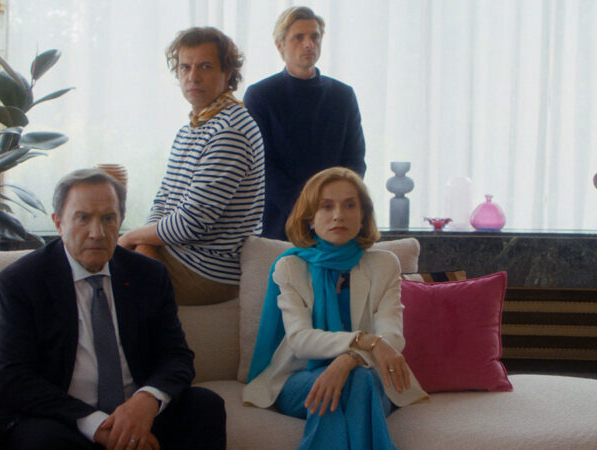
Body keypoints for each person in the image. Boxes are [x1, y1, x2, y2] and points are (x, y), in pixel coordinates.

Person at [0, 168, 226, 450]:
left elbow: (176, 356)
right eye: (83, 218)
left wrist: (146, 401)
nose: (97, 233)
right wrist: (99, 426)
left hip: (136, 413)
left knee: (205, 406)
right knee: (41, 442)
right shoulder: (22, 280)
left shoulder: (149, 275)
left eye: (108, 218)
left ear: (121, 221)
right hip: (64, 417)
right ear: (58, 223)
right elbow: (15, 378)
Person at [243, 167, 427, 450]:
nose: (338, 215)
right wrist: (364, 341)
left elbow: (392, 336)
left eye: (349, 205)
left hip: (369, 376)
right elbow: (301, 340)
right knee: (357, 383)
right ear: (310, 218)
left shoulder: (384, 265)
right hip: (299, 378)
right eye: (326, 206)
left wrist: (347, 360)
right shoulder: (290, 267)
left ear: (363, 216)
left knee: (358, 379)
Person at [118, 27, 264, 306]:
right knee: (97, 263)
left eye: (205, 66)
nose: (192, 76)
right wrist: (142, 243)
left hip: (208, 270)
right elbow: (163, 199)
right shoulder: (193, 128)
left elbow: (191, 222)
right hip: (182, 255)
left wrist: (131, 238)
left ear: (228, 73)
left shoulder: (230, 129)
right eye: (185, 67)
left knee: (100, 272)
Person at [244, 6, 366, 241]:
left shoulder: (342, 95)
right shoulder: (260, 95)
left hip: (337, 221)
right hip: (280, 223)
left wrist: (335, 207)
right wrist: (307, 211)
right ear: (280, 45)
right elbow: (262, 166)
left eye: (314, 36)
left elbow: (355, 159)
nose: (309, 44)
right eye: (299, 37)